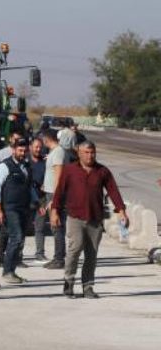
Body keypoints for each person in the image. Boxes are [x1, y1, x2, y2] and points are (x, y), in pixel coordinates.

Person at [51, 141, 128, 299]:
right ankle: (69, 281)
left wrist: (121, 210)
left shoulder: (102, 171)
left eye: (92, 152)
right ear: (79, 153)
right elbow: (59, 192)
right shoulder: (70, 170)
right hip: (75, 217)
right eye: (86, 152)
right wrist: (54, 211)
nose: (89, 155)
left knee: (91, 254)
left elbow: (113, 190)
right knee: (74, 249)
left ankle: (88, 286)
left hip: (95, 218)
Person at [0, 136, 33, 284]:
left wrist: (37, 203)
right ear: (13, 150)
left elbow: (30, 187)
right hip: (10, 208)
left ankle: (12, 271)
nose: (23, 153)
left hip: (24, 208)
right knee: (16, 237)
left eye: (25, 151)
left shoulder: (26, 166)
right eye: (20, 150)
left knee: (20, 240)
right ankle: (7, 271)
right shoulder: (5, 166)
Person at [0, 131, 25, 267]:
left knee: (12, 231)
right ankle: (2, 259)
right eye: (16, 140)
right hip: (5, 201)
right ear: (11, 140)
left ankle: (16, 258)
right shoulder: (0, 156)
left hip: (19, 203)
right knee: (10, 232)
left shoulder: (23, 161)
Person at [41, 128, 74, 270]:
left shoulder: (59, 152)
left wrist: (54, 198)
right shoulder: (55, 152)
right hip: (50, 193)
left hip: (55, 194)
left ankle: (59, 259)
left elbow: (59, 177)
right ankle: (58, 257)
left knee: (57, 226)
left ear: (46, 139)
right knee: (56, 227)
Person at [28, 137, 48, 263]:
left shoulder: (45, 162)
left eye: (40, 147)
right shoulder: (25, 162)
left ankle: (40, 253)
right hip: (26, 198)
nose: (38, 149)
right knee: (21, 227)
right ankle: (17, 255)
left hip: (41, 199)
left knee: (40, 228)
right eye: (36, 147)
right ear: (30, 147)